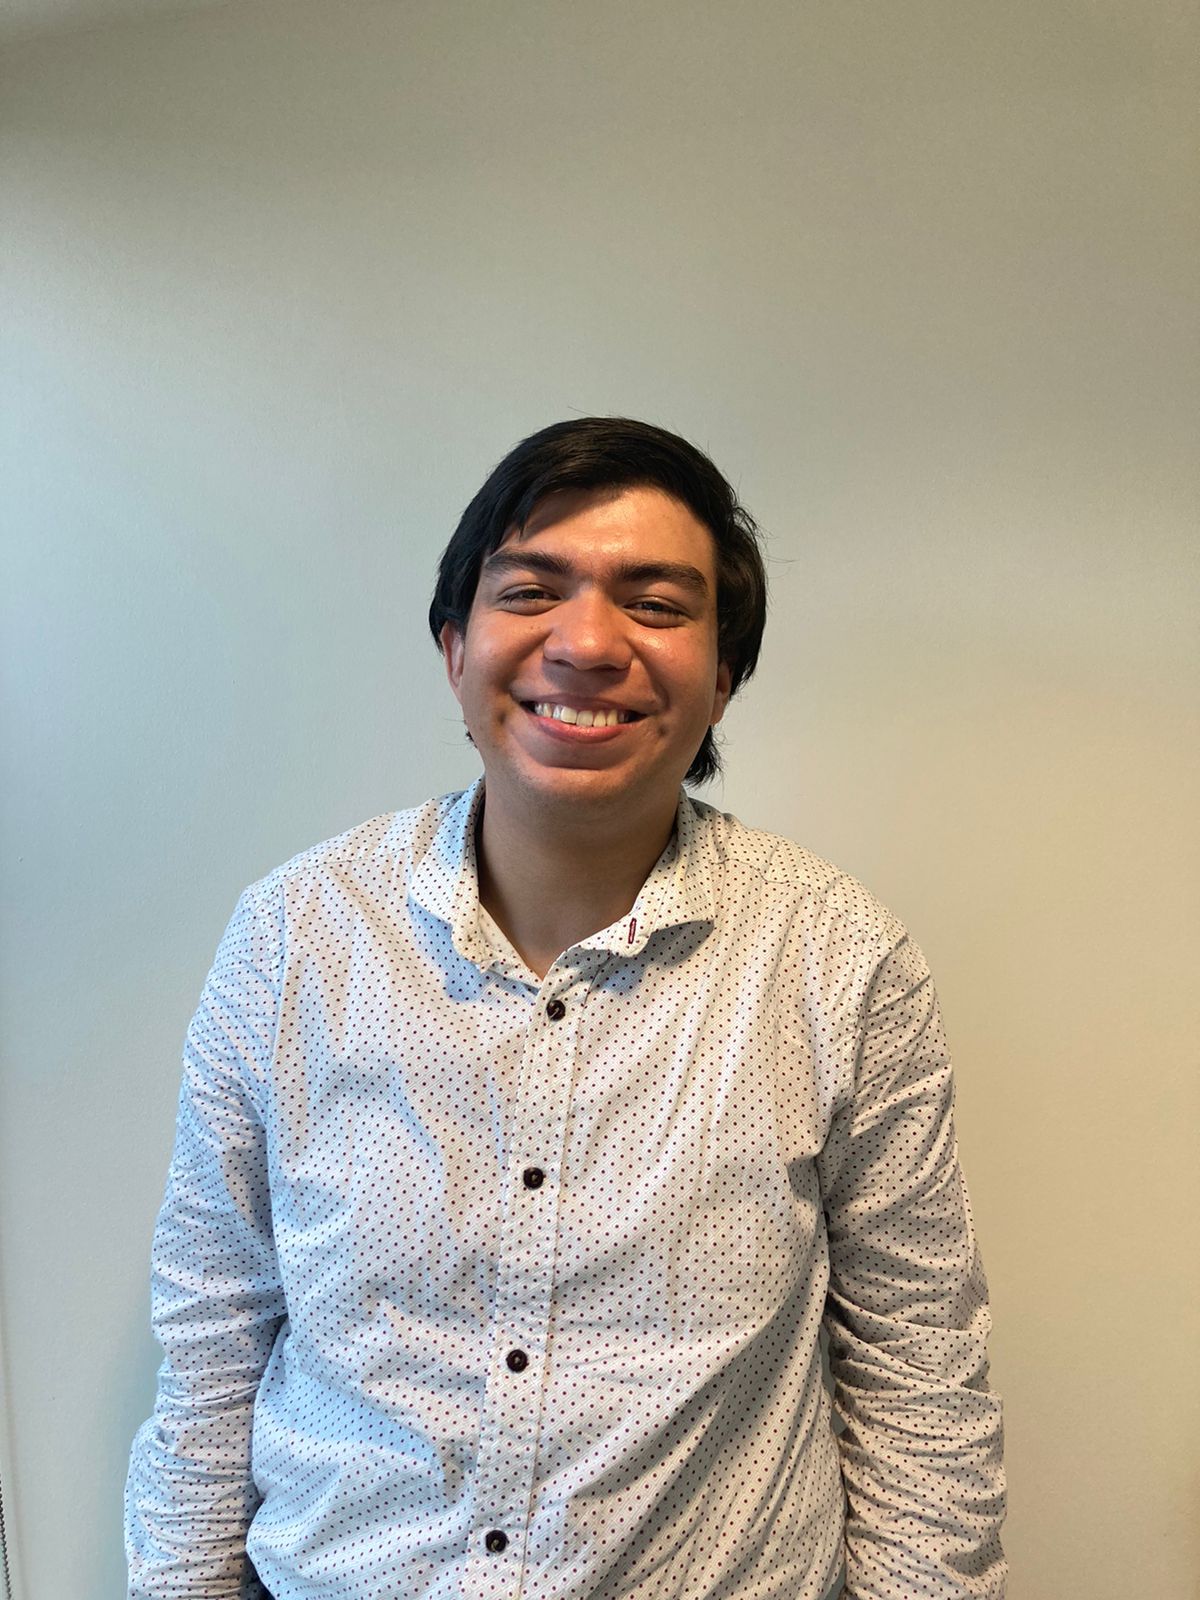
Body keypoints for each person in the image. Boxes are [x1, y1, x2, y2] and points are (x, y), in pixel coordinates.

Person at [126, 416, 1006, 1599]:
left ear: (724, 674)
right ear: (455, 646)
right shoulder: (294, 936)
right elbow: (211, 1350)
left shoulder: (839, 959)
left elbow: (920, 1380)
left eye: (656, 603)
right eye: (531, 591)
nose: (587, 644)